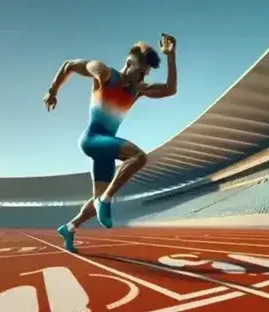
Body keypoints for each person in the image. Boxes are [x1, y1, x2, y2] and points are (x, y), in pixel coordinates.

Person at [44, 33, 178, 252]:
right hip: (92, 140)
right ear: (128, 63)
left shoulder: (138, 90)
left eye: (146, 74)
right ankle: (106, 201)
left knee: (95, 200)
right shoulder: (103, 72)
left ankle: (69, 227)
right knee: (138, 157)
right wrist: (52, 91)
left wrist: (171, 56)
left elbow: (170, 89)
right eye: (141, 72)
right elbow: (68, 65)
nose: (143, 78)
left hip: (104, 149)